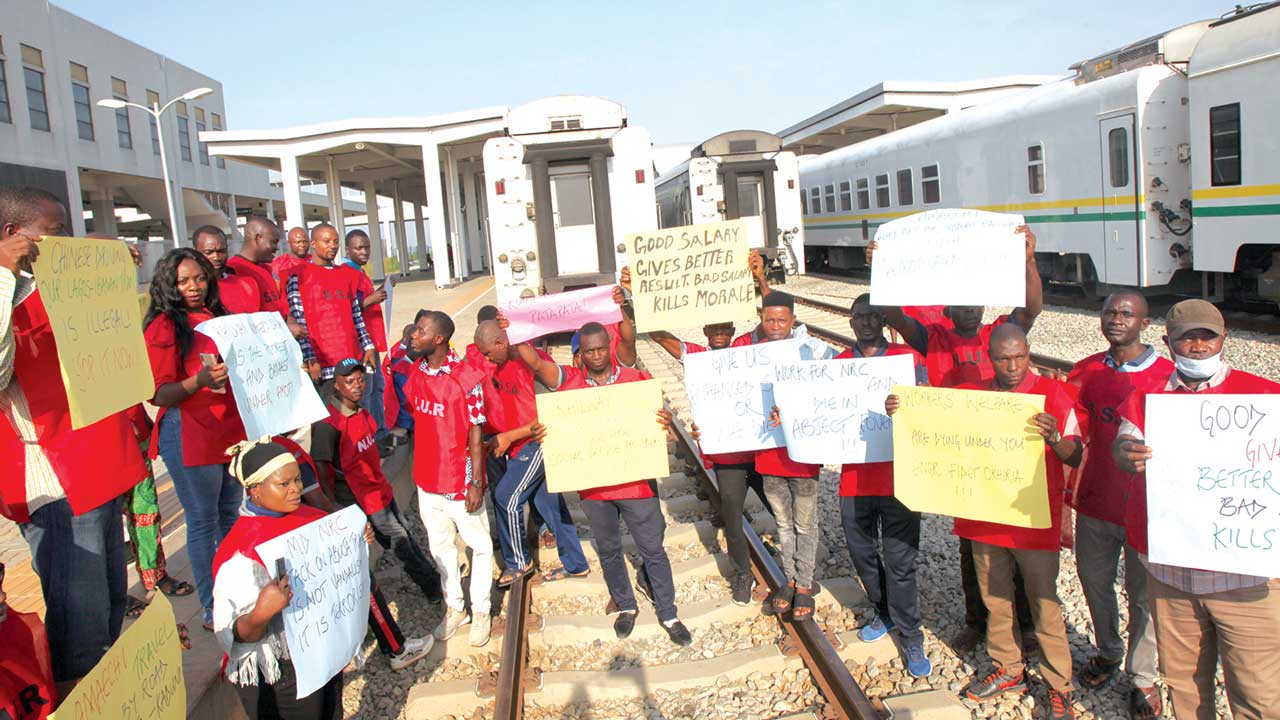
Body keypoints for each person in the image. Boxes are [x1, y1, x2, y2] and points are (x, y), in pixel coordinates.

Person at [889, 324, 1081, 719]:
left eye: (1020, 357)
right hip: (986, 520)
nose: (1013, 366)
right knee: (996, 600)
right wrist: (900, 410)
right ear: (989, 358)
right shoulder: (971, 396)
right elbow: (930, 422)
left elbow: (1075, 455)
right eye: (1003, 358)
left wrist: (1055, 437)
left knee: (1044, 605)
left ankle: (1059, 684)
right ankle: (1007, 667)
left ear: (1029, 354)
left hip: (1034, 522)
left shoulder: (1053, 394)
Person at [0, 187, 147, 692]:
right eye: (55, 234)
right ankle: (82, 695)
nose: (62, 245)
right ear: (12, 237)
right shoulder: (5, 295)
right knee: (78, 616)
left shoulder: (53, 289)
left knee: (107, 598)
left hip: (97, 468)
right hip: (55, 485)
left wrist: (101, 267)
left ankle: (105, 692)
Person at [874, 226, 1043, 652]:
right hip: (961, 453)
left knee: (1013, 536)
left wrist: (1027, 260)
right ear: (949, 308)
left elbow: (1032, 308)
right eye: (962, 306)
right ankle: (975, 619)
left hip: (1006, 449)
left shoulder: (999, 334)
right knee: (971, 540)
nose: (970, 312)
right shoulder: (935, 337)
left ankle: (1024, 623)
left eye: (976, 305)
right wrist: (881, 265)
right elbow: (893, 315)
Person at [1114, 299, 1280, 720]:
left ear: (1224, 340)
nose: (1199, 346)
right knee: (1186, 691)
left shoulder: (1265, 397)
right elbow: (1122, 445)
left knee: (1258, 694)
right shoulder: (1145, 398)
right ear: (1169, 343)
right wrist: (1124, 452)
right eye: (1188, 337)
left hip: (1245, 577)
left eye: (1208, 336)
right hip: (1172, 576)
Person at [516, 321, 693, 646]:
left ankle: (669, 612)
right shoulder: (569, 390)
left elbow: (656, 421)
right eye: (589, 351)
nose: (596, 355)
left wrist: (663, 422)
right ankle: (626, 605)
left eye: (601, 348)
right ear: (580, 354)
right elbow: (535, 365)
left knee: (652, 549)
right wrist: (547, 432)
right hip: (594, 489)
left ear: (608, 348)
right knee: (609, 550)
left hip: (637, 485)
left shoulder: (634, 380)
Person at [1065, 292, 1171, 718]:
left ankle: (1143, 676)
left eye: (1127, 313)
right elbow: (1072, 435)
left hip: (1148, 509)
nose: (1116, 319)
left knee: (1143, 596)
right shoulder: (1086, 371)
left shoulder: (1168, 376)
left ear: (1145, 323)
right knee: (1094, 581)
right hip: (1095, 499)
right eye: (1109, 311)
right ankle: (1109, 650)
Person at [644, 259, 769, 606]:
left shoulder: (746, 347)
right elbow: (658, 335)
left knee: (779, 507)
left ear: (732, 329)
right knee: (732, 514)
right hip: (728, 454)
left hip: (759, 447)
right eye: (713, 327)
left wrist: (759, 278)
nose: (719, 333)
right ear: (704, 332)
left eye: (724, 327)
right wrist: (637, 293)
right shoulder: (696, 356)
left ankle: (794, 569)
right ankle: (742, 575)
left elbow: (773, 321)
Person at [144, 247, 248, 632]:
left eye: (199, 278)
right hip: (190, 432)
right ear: (169, 284)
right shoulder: (165, 327)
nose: (193, 286)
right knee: (204, 521)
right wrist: (200, 382)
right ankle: (211, 605)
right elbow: (159, 394)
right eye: (184, 280)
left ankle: (234, 593)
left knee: (228, 515)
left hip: (227, 431)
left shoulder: (218, 317)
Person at [212, 439, 350, 719]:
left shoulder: (311, 519)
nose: (296, 489)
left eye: (298, 479)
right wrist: (260, 614)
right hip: (279, 671)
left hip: (320, 647)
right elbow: (234, 635)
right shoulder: (241, 553)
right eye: (283, 484)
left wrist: (355, 544)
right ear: (255, 490)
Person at [833, 294, 932, 678]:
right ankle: (885, 610)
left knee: (900, 561)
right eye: (860, 317)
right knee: (861, 554)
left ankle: (911, 634)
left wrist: (910, 405)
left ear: (883, 320)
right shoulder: (838, 365)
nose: (867, 323)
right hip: (854, 480)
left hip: (900, 478)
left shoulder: (908, 361)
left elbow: (931, 407)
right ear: (852, 321)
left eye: (874, 316)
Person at [311, 358, 444, 604]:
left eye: (360, 380)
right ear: (337, 386)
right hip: (361, 499)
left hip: (380, 490)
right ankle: (433, 586)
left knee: (404, 534)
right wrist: (332, 505)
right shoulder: (329, 424)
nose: (357, 385)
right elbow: (321, 463)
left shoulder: (360, 411)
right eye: (349, 381)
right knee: (399, 541)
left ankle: (432, 581)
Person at [472, 319, 590, 586]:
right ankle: (576, 563)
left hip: (538, 443)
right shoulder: (499, 368)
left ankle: (518, 562)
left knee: (507, 497)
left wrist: (510, 436)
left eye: (488, 352)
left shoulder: (532, 364)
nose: (486, 358)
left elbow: (549, 416)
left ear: (502, 343)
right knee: (550, 505)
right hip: (519, 445)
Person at [403, 310, 494, 647]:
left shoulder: (466, 377)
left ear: (438, 339)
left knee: (480, 547)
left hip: (458, 482)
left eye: (421, 330)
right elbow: (415, 410)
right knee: (440, 549)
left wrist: (476, 482)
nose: (414, 333)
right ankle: (455, 608)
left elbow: (475, 433)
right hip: (427, 482)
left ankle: (481, 610)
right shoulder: (418, 371)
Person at [756, 291, 837, 620]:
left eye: (781, 320)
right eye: (769, 319)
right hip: (768, 455)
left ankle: (804, 584)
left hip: (802, 456)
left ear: (793, 322)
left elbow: (831, 390)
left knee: (805, 524)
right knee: (783, 524)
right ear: (761, 320)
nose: (775, 326)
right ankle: (789, 578)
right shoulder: (752, 355)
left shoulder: (813, 352)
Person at [286, 224, 376, 398]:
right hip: (322, 365)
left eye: (335, 241)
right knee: (328, 421)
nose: (332, 246)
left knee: (355, 415)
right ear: (313, 244)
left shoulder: (346, 274)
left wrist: (368, 346)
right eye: (326, 241)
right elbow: (299, 321)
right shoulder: (299, 276)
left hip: (350, 360)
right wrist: (309, 358)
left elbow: (355, 315)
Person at [122, 405, 195, 616]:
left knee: (146, 511)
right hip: (93, 444)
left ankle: (155, 575)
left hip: (133, 431)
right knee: (103, 527)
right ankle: (114, 595)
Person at [342, 230, 393, 447]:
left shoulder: (359, 272)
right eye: (358, 248)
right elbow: (347, 309)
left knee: (377, 387)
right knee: (368, 390)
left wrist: (382, 290)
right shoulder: (346, 274)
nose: (364, 252)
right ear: (347, 249)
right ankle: (371, 437)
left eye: (367, 247)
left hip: (372, 343)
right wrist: (371, 299)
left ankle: (380, 432)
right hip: (362, 346)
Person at [193, 225, 260, 314]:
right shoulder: (191, 289)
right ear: (196, 253)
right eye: (209, 252)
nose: (216, 257)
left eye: (222, 251)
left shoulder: (247, 284)